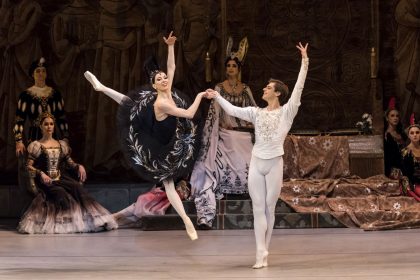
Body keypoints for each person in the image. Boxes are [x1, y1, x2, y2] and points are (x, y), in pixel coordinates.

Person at [84, 31, 209, 240]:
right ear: (154, 85)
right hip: (157, 141)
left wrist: (170, 46)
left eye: (164, 78)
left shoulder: (168, 92)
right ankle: (187, 221)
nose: (164, 79)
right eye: (159, 79)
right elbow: (188, 113)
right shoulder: (161, 101)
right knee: (168, 183)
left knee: (132, 104)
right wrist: (198, 96)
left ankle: (101, 87)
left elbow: (172, 67)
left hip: (169, 134)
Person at [206, 42, 309, 268]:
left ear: (278, 93)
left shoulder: (287, 112)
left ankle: (265, 250)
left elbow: (299, 89)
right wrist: (216, 96)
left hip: (274, 164)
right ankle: (259, 251)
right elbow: (233, 111)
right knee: (257, 208)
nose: (263, 89)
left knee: (269, 208)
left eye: (268, 87)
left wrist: (304, 62)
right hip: (256, 162)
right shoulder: (256, 112)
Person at [190, 37, 256, 229]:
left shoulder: (245, 89)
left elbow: (253, 110)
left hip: (243, 133)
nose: (230, 69)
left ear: (239, 68)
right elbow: (214, 113)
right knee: (216, 157)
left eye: (234, 66)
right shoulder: (219, 88)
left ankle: (248, 190)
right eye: (228, 66)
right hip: (226, 133)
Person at [18, 112, 117, 233]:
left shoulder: (61, 144)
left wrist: (79, 166)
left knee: (77, 188)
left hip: (61, 178)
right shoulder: (36, 145)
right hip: (46, 181)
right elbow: (28, 166)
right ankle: (65, 224)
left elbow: (70, 162)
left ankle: (93, 220)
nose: (49, 127)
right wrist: (41, 173)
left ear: (54, 126)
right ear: (41, 126)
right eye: (46, 124)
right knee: (60, 193)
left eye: (51, 124)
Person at [384, 97, 407, 178]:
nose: (395, 118)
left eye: (397, 116)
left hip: (405, 165)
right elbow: (389, 158)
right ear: (387, 118)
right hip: (394, 169)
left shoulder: (402, 134)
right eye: (392, 116)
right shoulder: (387, 136)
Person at [400, 114, 420, 201]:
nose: (415, 135)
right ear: (408, 135)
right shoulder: (405, 152)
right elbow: (407, 174)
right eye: (412, 133)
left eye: (417, 132)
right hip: (413, 184)